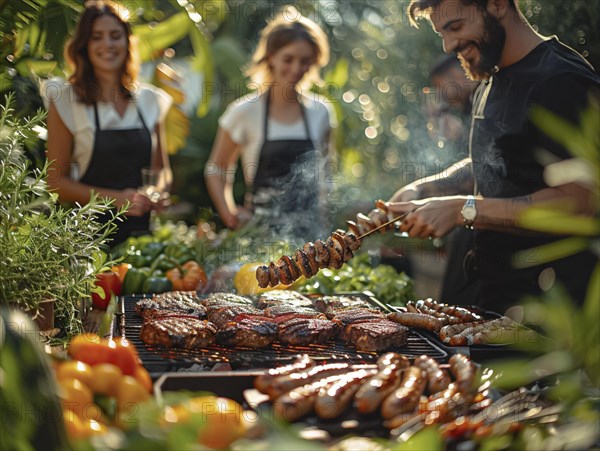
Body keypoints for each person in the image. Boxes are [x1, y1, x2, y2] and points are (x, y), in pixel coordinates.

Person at [372, 0, 599, 315]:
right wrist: (425, 190)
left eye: (455, 27)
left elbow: (579, 204)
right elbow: (496, 164)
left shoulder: (560, 80)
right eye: (442, 33)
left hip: (549, 313)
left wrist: (463, 210)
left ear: (497, 5)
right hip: (494, 300)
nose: (449, 45)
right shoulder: (488, 80)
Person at [45, 0, 172, 246]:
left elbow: (162, 171)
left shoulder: (151, 100)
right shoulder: (65, 98)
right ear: (84, 45)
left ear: (127, 42)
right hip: (84, 246)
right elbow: (55, 182)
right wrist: (116, 199)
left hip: (142, 243)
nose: (108, 45)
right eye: (97, 37)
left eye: (115, 36)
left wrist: (158, 192)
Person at [204, 6, 335, 241]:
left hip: (309, 238)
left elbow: (324, 175)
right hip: (259, 237)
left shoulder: (321, 111)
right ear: (270, 57)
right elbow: (216, 168)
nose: (296, 69)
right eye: (288, 59)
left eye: (305, 61)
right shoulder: (243, 112)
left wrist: (324, 231)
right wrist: (230, 214)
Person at [426, 55, 480, 306]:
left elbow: (477, 173)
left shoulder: (490, 102)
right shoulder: (463, 112)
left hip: (481, 223)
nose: (443, 95)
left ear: (459, 73)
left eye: (441, 87)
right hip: (466, 227)